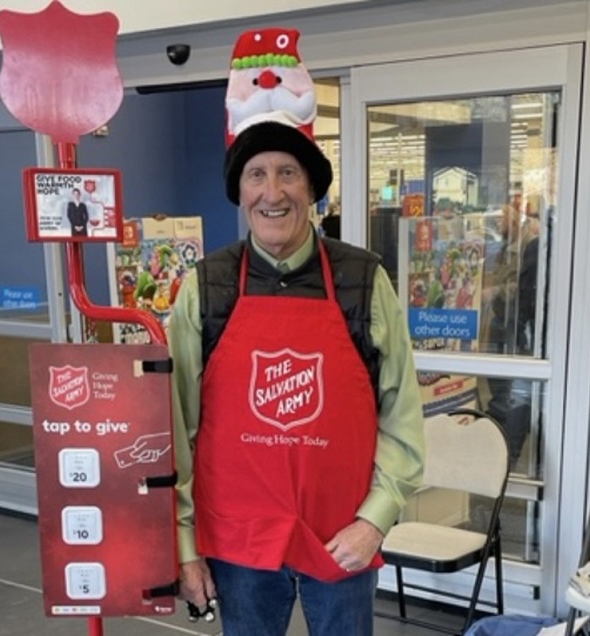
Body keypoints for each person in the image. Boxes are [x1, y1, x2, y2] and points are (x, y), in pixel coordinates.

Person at [169, 27, 424, 636]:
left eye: (288, 173)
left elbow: (403, 413)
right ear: (240, 190)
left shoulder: (365, 279)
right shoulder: (206, 287)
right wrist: (184, 543)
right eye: (256, 175)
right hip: (236, 544)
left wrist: (376, 519)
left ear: (311, 187)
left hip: (343, 540)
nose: (273, 191)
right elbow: (174, 425)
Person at [480, 202, 540, 468]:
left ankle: (508, 453)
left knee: (514, 392)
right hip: (501, 321)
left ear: (515, 222)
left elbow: (525, 289)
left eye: (501, 220)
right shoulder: (503, 249)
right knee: (498, 385)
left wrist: (497, 291)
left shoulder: (531, 247)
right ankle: (498, 442)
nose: (497, 226)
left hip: (517, 326)